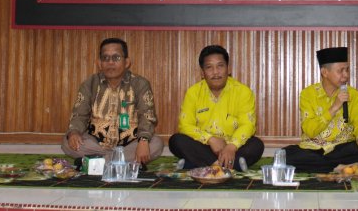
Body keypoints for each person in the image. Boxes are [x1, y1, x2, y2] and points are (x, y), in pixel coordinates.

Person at [62, 38, 164, 166]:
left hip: (130, 144)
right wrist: (74, 133)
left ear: (127, 62)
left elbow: (147, 115)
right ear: (99, 63)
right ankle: (119, 162)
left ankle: (97, 163)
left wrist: (143, 140)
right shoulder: (90, 83)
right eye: (105, 58)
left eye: (116, 58)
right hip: (96, 144)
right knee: (67, 142)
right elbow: (79, 114)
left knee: (155, 144)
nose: (110, 62)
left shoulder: (140, 84)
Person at [284, 47, 358, 172]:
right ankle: (338, 166)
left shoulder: (353, 94)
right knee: (285, 156)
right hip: (314, 147)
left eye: (347, 70)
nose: (346, 75)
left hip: (342, 148)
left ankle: (324, 166)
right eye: (340, 71)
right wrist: (334, 107)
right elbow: (309, 130)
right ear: (325, 72)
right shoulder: (308, 94)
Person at [169, 45, 264, 171]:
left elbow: (248, 125)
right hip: (204, 145)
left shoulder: (243, 92)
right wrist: (210, 139)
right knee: (176, 140)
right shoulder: (193, 92)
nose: (215, 72)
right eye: (209, 67)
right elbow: (185, 125)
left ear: (228, 69)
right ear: (202, 73)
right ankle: (230, 164)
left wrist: (231, 146)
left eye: (220, 66)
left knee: (256, 145)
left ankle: (197, 163)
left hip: (234, 147)